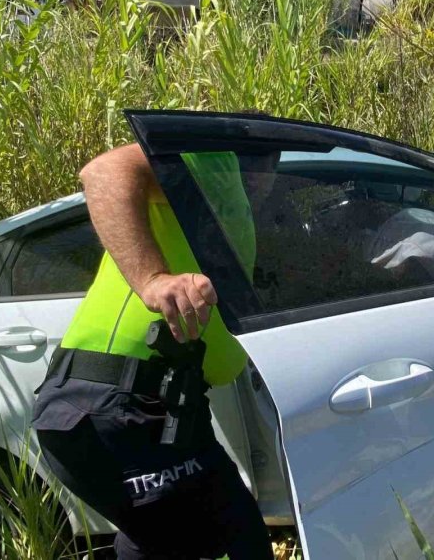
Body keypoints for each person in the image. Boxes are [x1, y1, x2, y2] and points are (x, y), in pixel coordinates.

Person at [32, 143, 274, 560]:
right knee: (212, 539)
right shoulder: (217, 160)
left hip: (167, 407)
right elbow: (103, 172)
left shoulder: (225, 214)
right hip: (118, 399)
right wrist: (153, 279)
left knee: (193, 538)